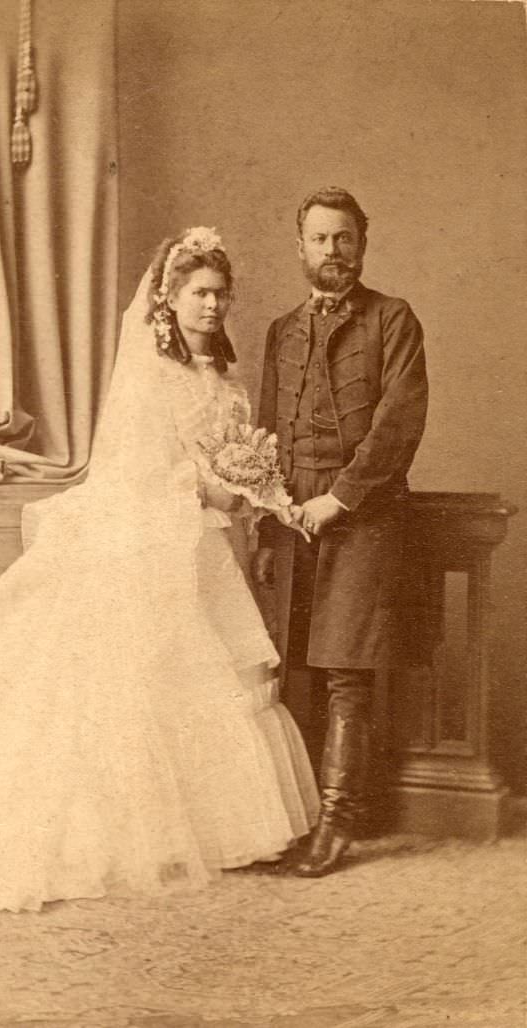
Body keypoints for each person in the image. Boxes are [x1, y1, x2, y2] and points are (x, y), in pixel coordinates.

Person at [0, 228, 318, 912]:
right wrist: (204, 488)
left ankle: (208, 830)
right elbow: (132, 468)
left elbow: (237, 453)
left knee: (215, 673)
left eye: (220, 294)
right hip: (158, 539)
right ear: (169, 299)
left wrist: (246, 493)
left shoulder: (228, 378)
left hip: (212, 545)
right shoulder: (154, 375)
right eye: (199, 293)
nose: (212, 306)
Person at [253, 188, 428, 877]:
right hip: (293, 519)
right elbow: (265, 432)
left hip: (362, 518)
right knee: (294, 667)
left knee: (346, 671)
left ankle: (338, 824)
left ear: (363, 244)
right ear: (301, 248)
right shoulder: (280, 331)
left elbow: (399, 425)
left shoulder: (393, 320)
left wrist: (341, 500)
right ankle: (298, 818)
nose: (332, 251)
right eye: (320, 239)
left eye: (344, 238)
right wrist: (271, 527)